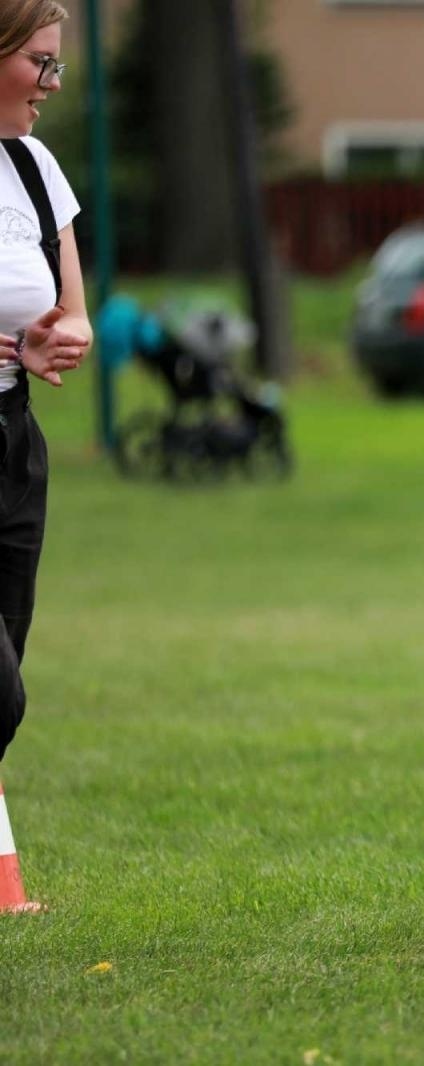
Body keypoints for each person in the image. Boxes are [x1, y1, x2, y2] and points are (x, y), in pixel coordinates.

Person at [0, 0, 92, 765]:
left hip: (13, 442)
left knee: (7, 674)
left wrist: (60, 339)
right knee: (0, 695)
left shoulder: (34, 166)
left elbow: (74, 315)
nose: (54, 83)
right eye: (41, 62)